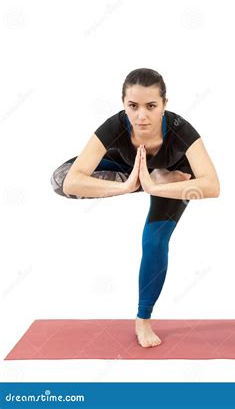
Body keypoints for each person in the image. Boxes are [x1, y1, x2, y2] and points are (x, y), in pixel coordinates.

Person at [50, 68, 220, 348]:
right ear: (123, 105)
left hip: (174, 181)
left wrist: (156, 188)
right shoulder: (114, 127)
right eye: (133, 106)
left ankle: (143, 320)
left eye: (151, 106)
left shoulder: (181, 131)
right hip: (127, 171)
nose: (142, 116)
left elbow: (212, 186)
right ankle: (143, 179)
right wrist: (129, 186)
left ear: (164, 104)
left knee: (154, 243)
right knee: (59, 179)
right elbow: (71, 182)